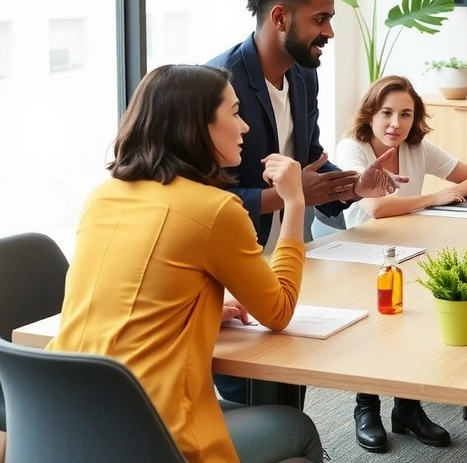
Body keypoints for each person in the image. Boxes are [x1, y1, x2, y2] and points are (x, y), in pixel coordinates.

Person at [48, 65, 323, 463]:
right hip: (151, 432)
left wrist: (192, 313)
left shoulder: (103, 196)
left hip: (63, 417)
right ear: (199, 127)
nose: (244, 126)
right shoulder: (214, 210)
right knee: (299, 429)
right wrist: (294, 201)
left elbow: (131, 294)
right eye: (234, 113)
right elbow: (278, 311)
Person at [208, 0, 405, 404]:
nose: (330, 32)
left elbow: (310, 161)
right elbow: (200, 199)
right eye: (320, 19)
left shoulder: (302, 76)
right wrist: (287, 196)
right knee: (253, 400)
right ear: (279, 18)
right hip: (232, 266)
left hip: (286, 255)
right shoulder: (217, 84)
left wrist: (353, 185)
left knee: (289, 386)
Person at [313, 75, 467, 453]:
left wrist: (451, 191)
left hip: (408, 247)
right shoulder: (353, 148)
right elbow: (375, 207)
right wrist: (434, 198)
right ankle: (366, 407)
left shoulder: (417, 146)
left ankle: (407, 409)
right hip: (359, 254)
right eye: (387, 113)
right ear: (370, 114)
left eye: (406, 114)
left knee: (415, 319)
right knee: (376, 321)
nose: (396, 123)